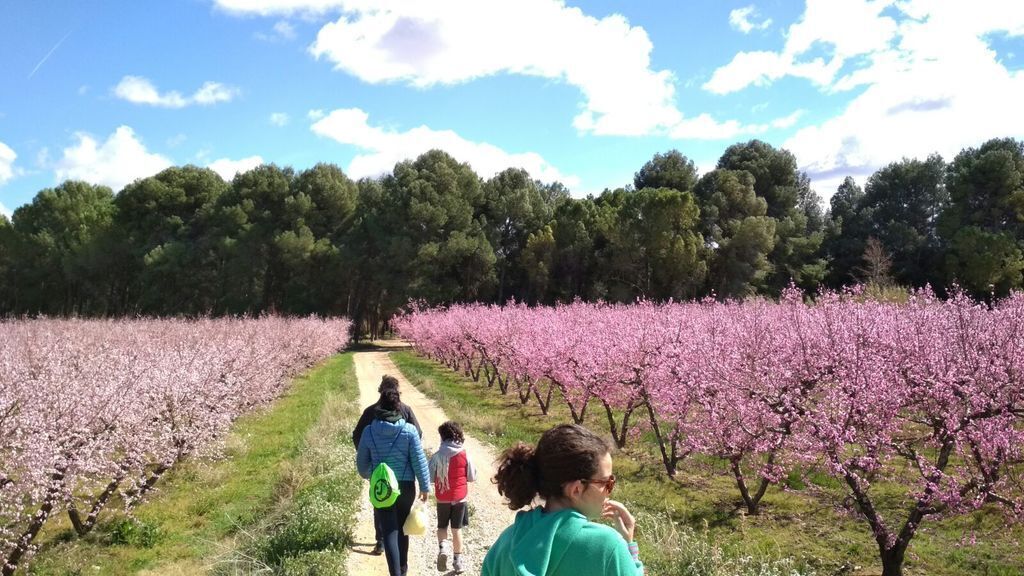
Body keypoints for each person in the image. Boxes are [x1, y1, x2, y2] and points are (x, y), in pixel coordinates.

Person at [482, 424, 644, 576]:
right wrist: (629, 547)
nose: (609, 491)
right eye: (607, 483)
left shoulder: (505, 542)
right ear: (576, 489)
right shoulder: (608, 547)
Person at [357, 388, 431, 576]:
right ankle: (403, 570)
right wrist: (424, 486)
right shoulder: (409, 430)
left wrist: (371, 475)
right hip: (405, 487)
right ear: (398, 406)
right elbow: (418, 459)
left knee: (389, 530)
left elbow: (362, 466)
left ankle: (395, 574)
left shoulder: (369, 431)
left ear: (380, 405)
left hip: (382, 487)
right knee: (403, 529)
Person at [353, 374, 423, 555]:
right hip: (404, 474)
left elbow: (357, 436)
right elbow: (419, 434)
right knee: (401, 516)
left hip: (379, 472)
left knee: (380, 504)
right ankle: (400, 558)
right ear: (397, 392)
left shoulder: (370, 412)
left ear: (380, 391)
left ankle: (381, 541)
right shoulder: (405, 410)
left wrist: (369, 463)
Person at [429, 421, 477, 574]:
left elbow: (430, 477)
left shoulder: (437, 456)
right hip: (460, 498)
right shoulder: (465, 454)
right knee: (457, 530)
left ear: (443, 437)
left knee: (442, 526)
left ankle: (443, 547)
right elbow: (471, 477)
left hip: (442, 498)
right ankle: (458, 562)